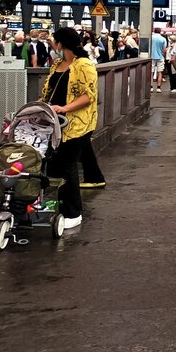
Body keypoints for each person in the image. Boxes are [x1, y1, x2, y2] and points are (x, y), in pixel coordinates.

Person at [41, 27, 99, 228]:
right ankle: (58, 206)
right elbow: (48, 92)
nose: (52, 44)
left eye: (53, 41)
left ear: (61, 43)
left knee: (67, 165)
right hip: (54, 122)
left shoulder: (84, 65)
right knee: (55, 165)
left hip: (78, 124)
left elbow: (88, 95)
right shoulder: (57, 64)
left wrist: (65, 108)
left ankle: (73, 213)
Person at [150, 27, 168, 92]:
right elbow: (164, 50)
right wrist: (164, 56)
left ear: (154, 31)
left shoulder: (151, 38)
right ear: (160, 32)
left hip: (152, 57)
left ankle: (151, 87)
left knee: (151, 72)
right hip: (160, 57)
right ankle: (158, 87)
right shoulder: (163, 39)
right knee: (160, 72)